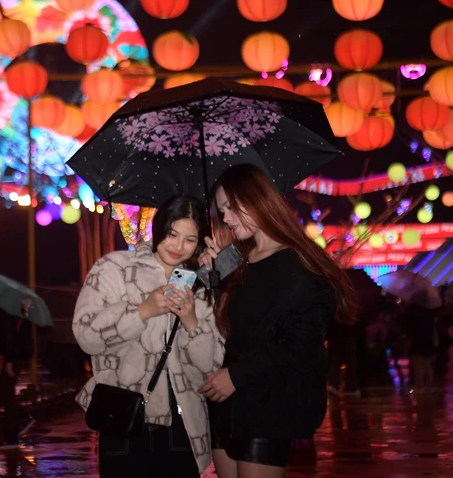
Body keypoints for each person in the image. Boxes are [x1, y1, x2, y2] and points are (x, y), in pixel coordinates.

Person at [198, 164, 355, 478]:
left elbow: (301, 345)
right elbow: (214, 322)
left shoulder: (303, 267)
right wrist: (207, 275)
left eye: (231, 207)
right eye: (221, 209)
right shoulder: (234, 258)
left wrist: (237, 375)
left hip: (269, 402)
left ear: (257, 199)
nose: (225, 217)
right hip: (226, 402)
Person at [73, 195, 223, 478]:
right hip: (123, 416)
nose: (178, 246)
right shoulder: (114, 268)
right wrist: (143, 311)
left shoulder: (202, 286)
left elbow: (208, 373)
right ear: (158, 227)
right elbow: (86, 336)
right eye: (172, 233)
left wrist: (192, 323)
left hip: (184, 425)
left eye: (190, 239)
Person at [0, 300, 35, 447]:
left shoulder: (6, 310)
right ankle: (23, 418)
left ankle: (12, 436)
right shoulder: (21, 310)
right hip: (17, 356)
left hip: (13, 357)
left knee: (6, 392)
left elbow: (9, 335)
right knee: (0, 389)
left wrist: (9, 361)